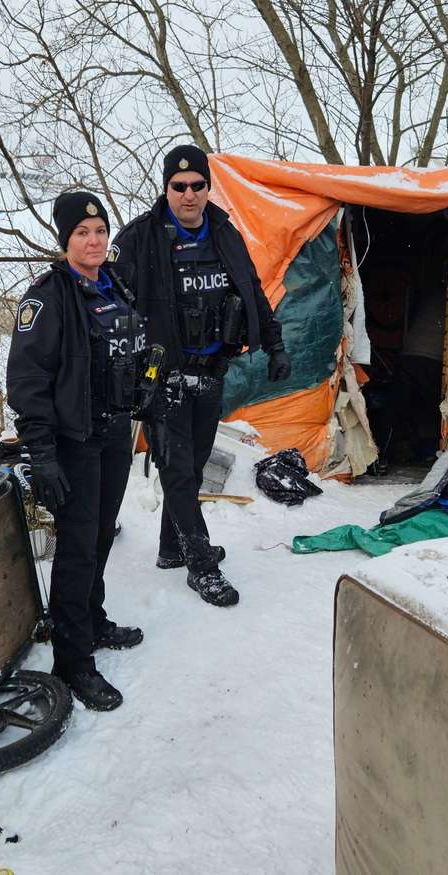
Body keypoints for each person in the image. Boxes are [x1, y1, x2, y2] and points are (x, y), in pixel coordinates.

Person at [113, 145, 291, 607]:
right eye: (179, 186)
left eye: (197, 186)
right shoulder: (139, 239)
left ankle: (172, 549)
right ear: (166, 187)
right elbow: (111, 309)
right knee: (175, 470)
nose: (188, 195)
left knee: (192, 469)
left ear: (208, 187)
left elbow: (251, 291)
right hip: (162, 376)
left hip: (212, 371)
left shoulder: (225, 234)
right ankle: (201, 565)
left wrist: (275, 345)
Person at [7, 190, 151, 712]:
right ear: (65, 239)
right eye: (81, 233)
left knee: (102, 534)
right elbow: (26, 380)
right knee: (76, 545)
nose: (93, 241)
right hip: (73, 441)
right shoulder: (46, 298)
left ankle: (91, 620)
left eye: (99, 231)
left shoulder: (115, 286)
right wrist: (40, 452)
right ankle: (71, 660)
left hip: (113, 432)